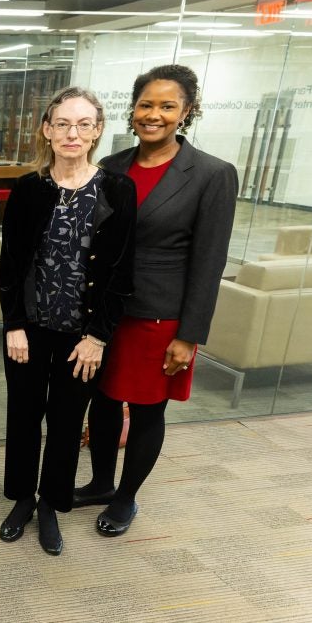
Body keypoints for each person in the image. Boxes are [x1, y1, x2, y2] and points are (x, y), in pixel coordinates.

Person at [74, 64, 238, 536]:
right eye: (146, 104)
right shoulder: (112, 166)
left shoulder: (212, 175)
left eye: (167, 106)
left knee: (147, 409)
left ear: (186, 112)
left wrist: (190, 336)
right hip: (106, 314)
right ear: (133, 109)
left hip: (160, 317)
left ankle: (126, 499)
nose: (154, 114)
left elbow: (209, 263)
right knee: (102, 403)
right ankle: (102, 482)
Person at [0, 87, 137, 555]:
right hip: (29, 331)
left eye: (83, 124)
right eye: (62, 124)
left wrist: (99, 336)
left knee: (65, 421)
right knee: (23, 416)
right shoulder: (27, 188)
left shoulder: (117, 189)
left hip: (83, 336)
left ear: (97, 131)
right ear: (46, 130)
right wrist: (13, 323)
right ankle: (21, 499)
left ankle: (51, 505)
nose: (71, 133)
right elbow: (11, 265)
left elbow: (120, 272)